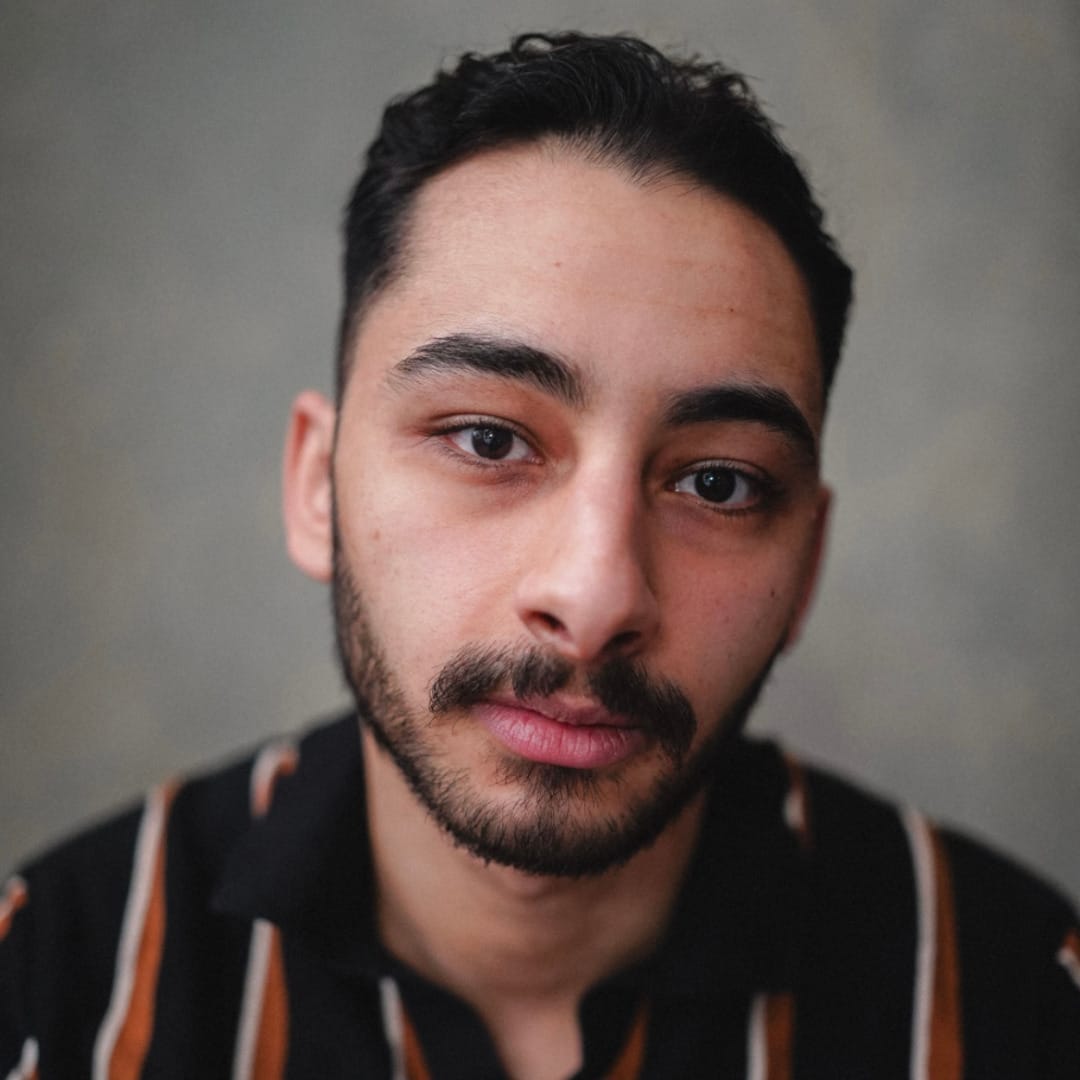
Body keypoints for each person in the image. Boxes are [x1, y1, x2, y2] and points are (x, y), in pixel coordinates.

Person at [1, 31, 1077, 1079]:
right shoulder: (52, 996)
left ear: (807, 562)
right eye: (488, 439)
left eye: (717, 482)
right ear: (314, 486)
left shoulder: (1024, 1009)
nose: (597, 595)